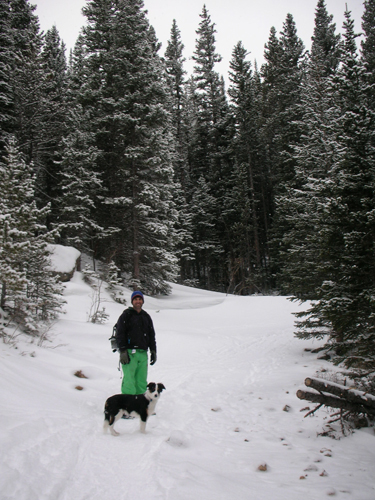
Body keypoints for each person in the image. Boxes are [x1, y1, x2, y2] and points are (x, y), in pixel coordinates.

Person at [115, 290, 157, 395]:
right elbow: (120, 334)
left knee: (141, 380)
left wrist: (153, 351)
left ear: (142, 301)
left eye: (140, 299)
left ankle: (139, 405)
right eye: (135, 299)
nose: (138, 301)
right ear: (132, 301)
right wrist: (123, 351)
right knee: (129, 380)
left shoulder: (146, 316)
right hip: (129, 353)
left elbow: (151, 336)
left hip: (143, 353)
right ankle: (128, 405)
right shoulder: (126, 315)